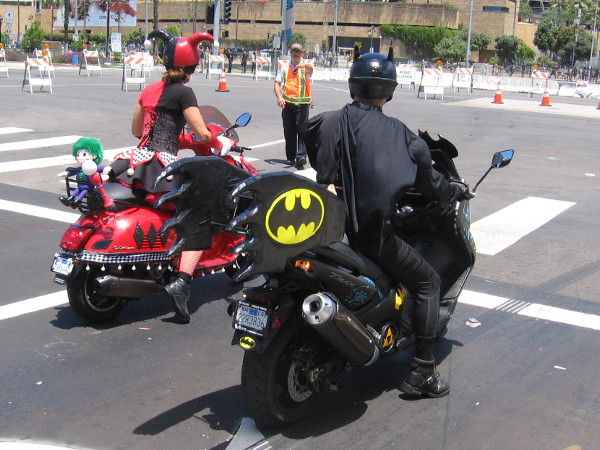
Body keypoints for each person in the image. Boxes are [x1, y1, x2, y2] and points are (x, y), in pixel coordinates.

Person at [303, 48, 469, 398]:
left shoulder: (325, 121)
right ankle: (423, 371)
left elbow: (319, 158)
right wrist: (450, 191)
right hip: (374, 237)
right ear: (389, 92)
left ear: (353, 85)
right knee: (428, 282)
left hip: (334, 232)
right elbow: (429, 181)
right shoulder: (399, 135)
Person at [109, 29, 234, 324]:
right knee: (199, 215)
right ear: (192, 66)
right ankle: (182, 281)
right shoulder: (184, 92)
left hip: (135, 162)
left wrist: (182, 138)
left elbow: (137, 131)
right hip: (160, 165)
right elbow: (203, 132)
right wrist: (217, 140)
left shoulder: (149, 90)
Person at [274, 42, 313, 169]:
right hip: (287, 104)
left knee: (302, 130)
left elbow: (311, 70)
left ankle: (301, 156)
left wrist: (304, 65)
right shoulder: (285, 67)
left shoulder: (306, 67)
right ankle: (291, 157)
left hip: (302, 104)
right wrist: (279, 97)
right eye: (294, 51)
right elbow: (277, 83)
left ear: (302, 54)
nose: (296, 54)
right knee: (289, 131)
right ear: (290, 52)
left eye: (298, 51)